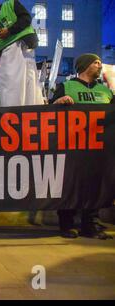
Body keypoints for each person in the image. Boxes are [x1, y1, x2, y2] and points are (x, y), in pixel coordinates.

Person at [52, 53, 114, 240]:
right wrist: (58, 102)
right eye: (96, 62)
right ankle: (66, 224)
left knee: (95, 187)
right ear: (85, 65)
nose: (99, 65)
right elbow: (47, 112)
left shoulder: (107, 92)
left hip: (98, 149)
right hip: (72, 147)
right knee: (69, 186)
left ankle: (91, 225)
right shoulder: (66, 87)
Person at [0, 0, 44, 107]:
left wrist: (9, 31)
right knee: (9, 86)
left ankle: (29, 109)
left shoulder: (11, 4)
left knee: (28, 83)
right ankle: (10, 110)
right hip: (6, 56)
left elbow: (26, 19)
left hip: (23, 48)